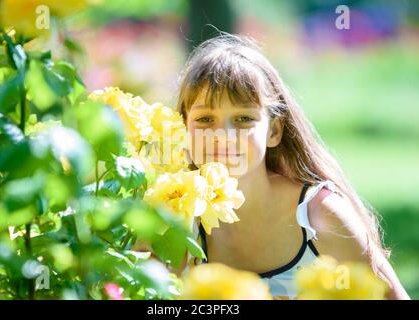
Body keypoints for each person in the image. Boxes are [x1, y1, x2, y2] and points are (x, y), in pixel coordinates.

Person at [175, 33, 410, 300]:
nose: (224, 135)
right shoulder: (177, 219)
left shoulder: (319, 216)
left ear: (274, 131)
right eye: (205, 119)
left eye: (243, 118)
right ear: (183, 128)